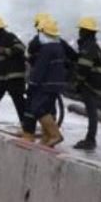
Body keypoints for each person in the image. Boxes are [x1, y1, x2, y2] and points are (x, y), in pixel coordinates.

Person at [22, 18, 67, 146]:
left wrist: (32, 84)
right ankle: (47, 138)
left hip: (46, 84)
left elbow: (40, 70)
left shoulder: (46, 49)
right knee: (47, 108)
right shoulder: (58, 47)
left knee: (38, 108)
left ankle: (54, 135)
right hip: (56, 84)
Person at [72, 17, 101, 150]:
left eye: (81, 30)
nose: (79, 32)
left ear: (86, 31)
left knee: (92, 112)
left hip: (91, 85)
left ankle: (90, 140)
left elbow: (83, 68)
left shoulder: (89, 47)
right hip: (94, 83)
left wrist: (77, 82)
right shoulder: (90, 45)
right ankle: (90, 138)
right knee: (91, 111)